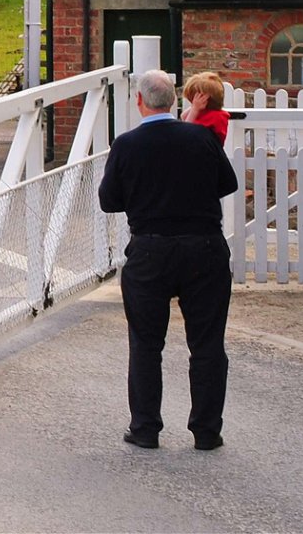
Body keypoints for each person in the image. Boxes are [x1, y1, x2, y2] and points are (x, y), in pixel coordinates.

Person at [98, 69, 238, 452]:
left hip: (150, 250)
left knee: (146, 344)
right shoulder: (202, 138)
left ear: (139, 101)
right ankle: (207, 431)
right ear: (175, 101)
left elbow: (109, 200)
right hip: (204, 248)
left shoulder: (127, 145)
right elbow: (227, 184)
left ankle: (145, 428)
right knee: (208, 344)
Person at [182, 71, 229, 143]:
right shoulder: (200, 112)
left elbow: (185, 132)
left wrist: (195, 109)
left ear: (204, 99)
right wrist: (195, 107)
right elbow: (183, 116)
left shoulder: (216, 117)